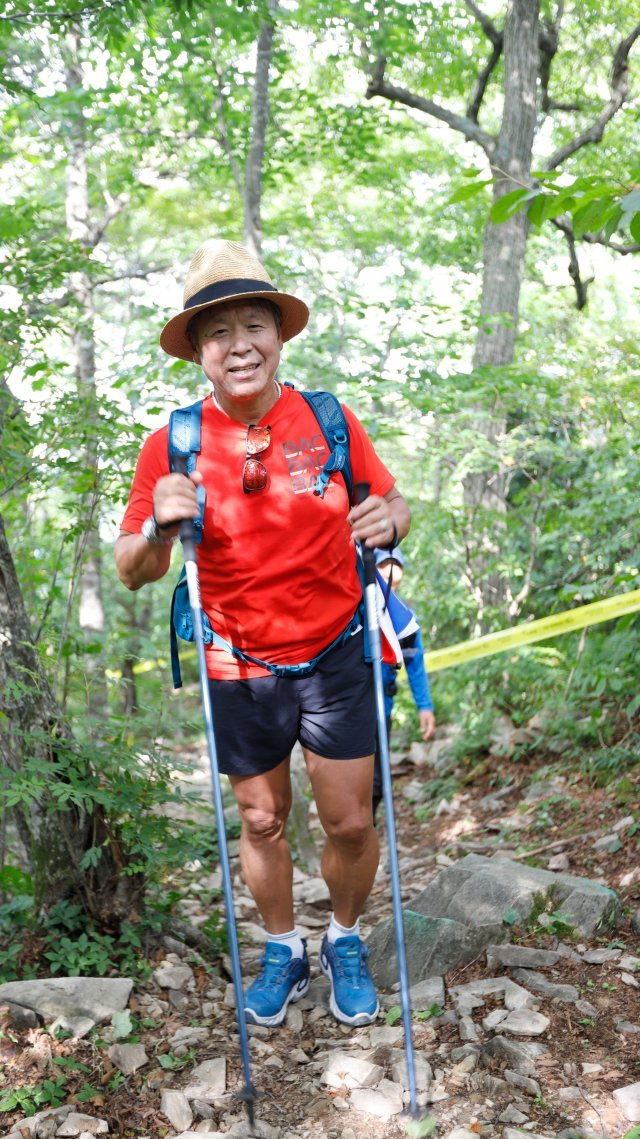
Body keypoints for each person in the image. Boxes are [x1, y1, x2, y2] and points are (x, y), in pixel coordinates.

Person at [115, 239, 410, 1030]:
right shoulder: (171, 444)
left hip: (336, 650)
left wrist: (388, 518)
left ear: (279, 336)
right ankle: (282, 947)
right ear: (199, 352)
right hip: (236, 662)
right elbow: (131, 568)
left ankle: (344, 937)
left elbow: (390, 504)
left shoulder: (328, 418)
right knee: (261, 819)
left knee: (350, 820)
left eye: (254, 323)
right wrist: (156, 527)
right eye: (219, 332)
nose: (238, 342)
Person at [372, 547, 435, 819]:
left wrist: (425, 707)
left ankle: (366, 832)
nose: (391, 575)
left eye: (396, 569)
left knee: (377, 783)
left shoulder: (404, 621)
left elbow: (415, 665)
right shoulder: (357, 610)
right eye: (384, 567)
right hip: (352, 707)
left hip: (381, 710)